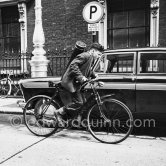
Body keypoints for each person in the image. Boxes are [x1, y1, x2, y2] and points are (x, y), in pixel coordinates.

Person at [56, 42, 104, 122]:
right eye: (98, 54)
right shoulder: (85, 55)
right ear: (92, 51)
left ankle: (76, 120)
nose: (99, 56)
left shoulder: (91, 58)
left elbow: (87, 69)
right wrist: (81, 77)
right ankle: (59, 112)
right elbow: (73, 65)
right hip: (71, 81)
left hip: (77, 82)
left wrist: (94, 75)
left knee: (84, 102)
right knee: (79, 103)